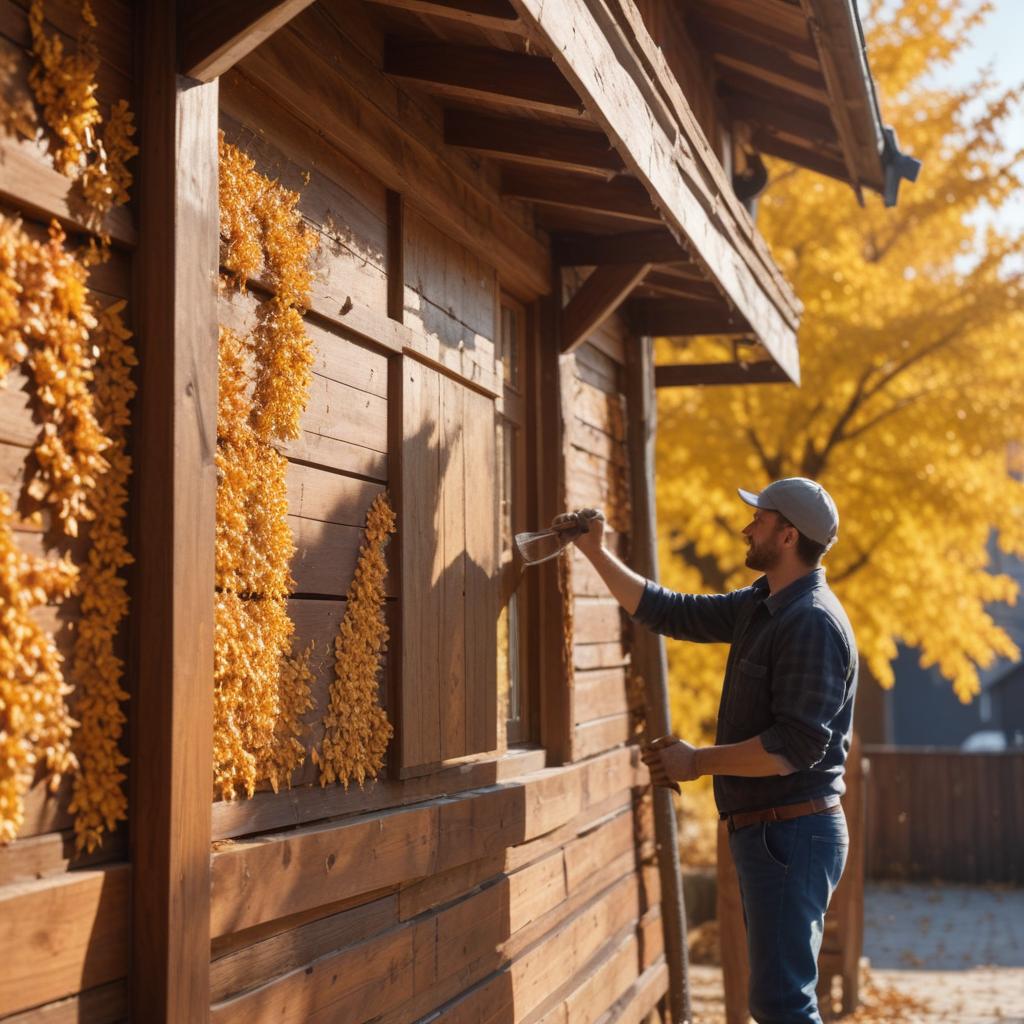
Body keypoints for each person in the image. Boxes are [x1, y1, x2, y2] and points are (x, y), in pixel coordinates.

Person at [560, 478, 857, 1024]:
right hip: (773, 833)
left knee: (783, 1003)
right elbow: (669, 611)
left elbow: (793, 749)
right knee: (776, 1000)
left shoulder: (811, 622)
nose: (748, 527)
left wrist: (698, 761)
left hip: (793, 835)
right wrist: (596, 553)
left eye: (760, 520)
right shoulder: (763, 604)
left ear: (787, 536)